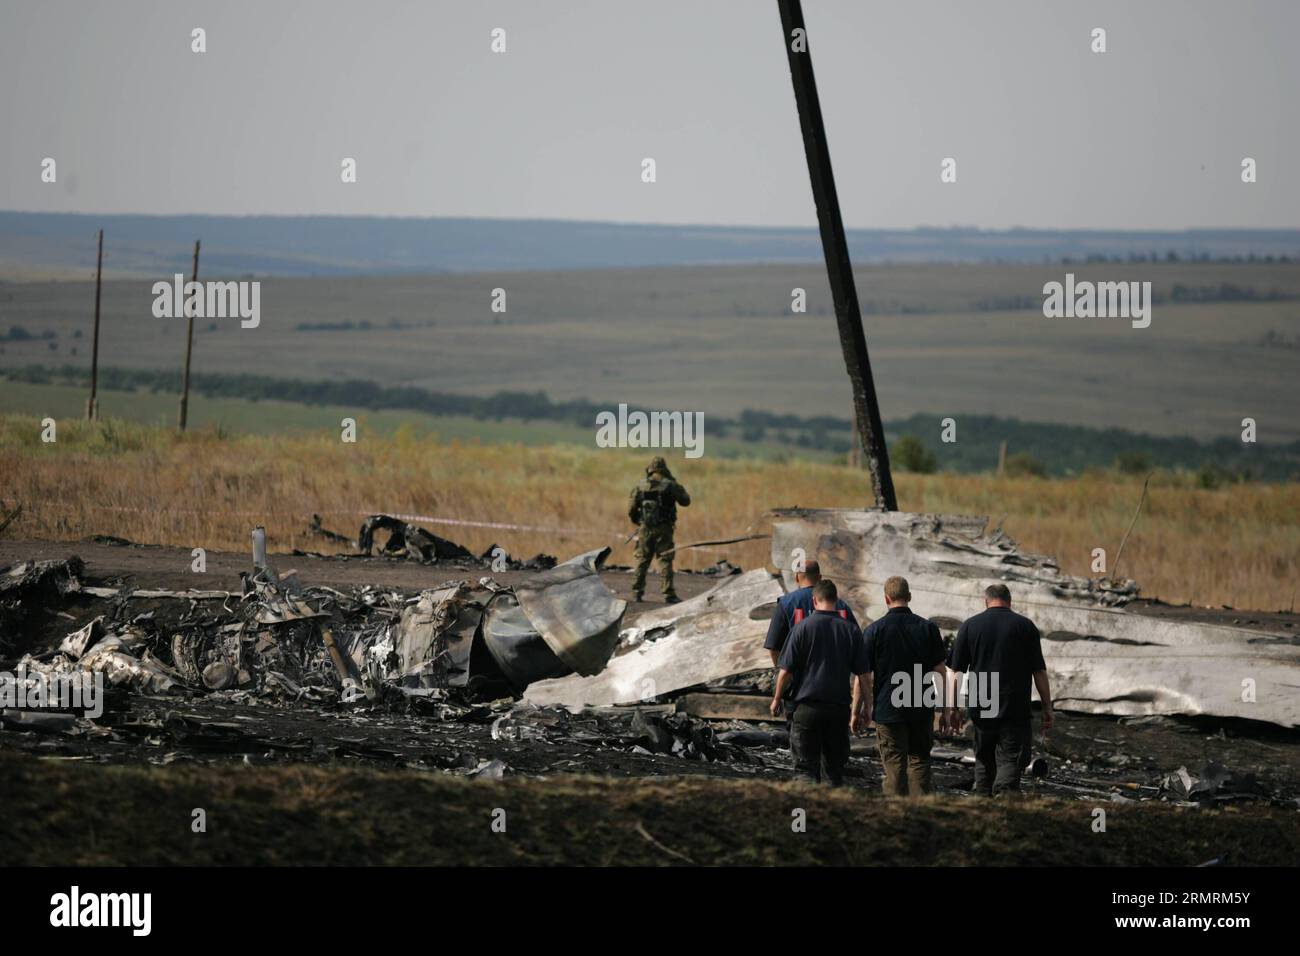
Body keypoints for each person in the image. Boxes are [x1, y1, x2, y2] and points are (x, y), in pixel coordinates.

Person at [946, 583, 1055, 796]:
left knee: (984, 759)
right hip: (1014, 703)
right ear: (1010, 602)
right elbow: (1039, 672)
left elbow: (956, 671)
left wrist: (954, 707)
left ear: (986, 602)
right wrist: (1047, 707)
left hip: (981, 700)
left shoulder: (970, 625)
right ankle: (1004, 796)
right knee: (1011, 757)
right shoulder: (1025, 627)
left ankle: (984, 804)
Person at [771, 580, 869, 785]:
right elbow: (864, 675)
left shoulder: (801, 628)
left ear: (814, 600)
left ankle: (805, 813)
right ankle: (830, 812)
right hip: (838, 709)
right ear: (836, 600)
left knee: (805, 771)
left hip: (807, 708)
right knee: (833, 772)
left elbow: (785, 671)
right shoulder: (850, 631)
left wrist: (777, 697)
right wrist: (867, 707)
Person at [858, 576, 948, 796]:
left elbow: (863, 675)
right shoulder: (928, 628)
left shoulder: (874, 631)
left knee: (895, 763)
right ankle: (920, 811)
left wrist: (858, 709)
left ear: (886, 598)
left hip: (888, 708)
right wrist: (945, 709)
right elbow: (941, 672)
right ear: (909, 597)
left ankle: (896, 814)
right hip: (921, 705)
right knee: (919, 761)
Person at [627, 456, 690, 603]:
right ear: (664, 469)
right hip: (664, 528)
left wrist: (638, 522)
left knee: (642, 559)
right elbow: (686, 501)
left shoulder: (640, 486)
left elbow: (631, 509)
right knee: (665, 559)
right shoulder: (670, 485)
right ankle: (668, 593)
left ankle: (637, 592)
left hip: (645, 528)